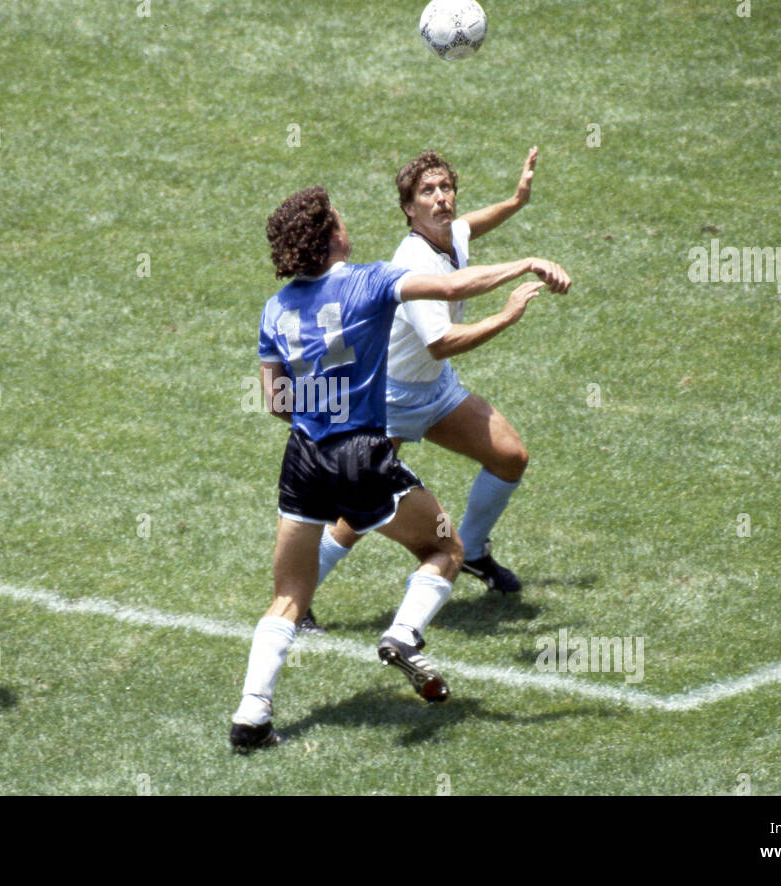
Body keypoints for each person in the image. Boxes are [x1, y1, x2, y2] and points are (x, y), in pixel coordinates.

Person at [230, 186, 569, 751]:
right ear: (331, 235)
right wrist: (525, 267)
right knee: (446, 549)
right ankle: (404, 636)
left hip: (302, 461)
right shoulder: (373, 280)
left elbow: (276, 401)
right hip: (362, 455)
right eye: (338, 218)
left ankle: (251, 717)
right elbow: (455, 285)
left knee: (290, 593)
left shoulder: (275, 309)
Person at [299, 147, 545, 635]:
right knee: (357, 515)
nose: (441, 198)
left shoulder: (449, 232)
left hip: (435, 393)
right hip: (388, 400)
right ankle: (295, 603)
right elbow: (440, 343)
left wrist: (515, 202)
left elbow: (471, 226)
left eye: (445, 188)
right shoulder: (414, 261)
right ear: (409, 209)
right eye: (427, 192)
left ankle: (471, 551)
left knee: (510, 456)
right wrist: (505, 315)